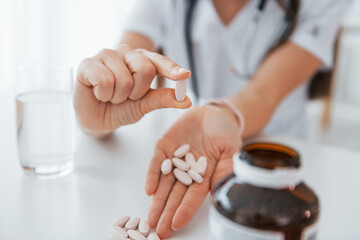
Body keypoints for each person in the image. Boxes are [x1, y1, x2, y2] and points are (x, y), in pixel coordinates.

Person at [74, 0, 352, 238]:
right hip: (197, 140)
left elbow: (264, 95)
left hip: (285, 169)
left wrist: (224, 112)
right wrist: (96, 114)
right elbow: (125, 69)